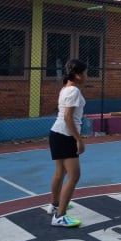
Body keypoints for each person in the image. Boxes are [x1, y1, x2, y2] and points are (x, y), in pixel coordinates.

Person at [47, 59, 88, 227]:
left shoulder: (65, 88)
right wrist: (79, 139)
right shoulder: (74, 91)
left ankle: (54, 205)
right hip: (65, 135)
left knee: (60, 172)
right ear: (77, 75)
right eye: (85, 73)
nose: (86, 76)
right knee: (74, 175)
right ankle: (59, 216)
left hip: (56, 133)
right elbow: (68, 117)